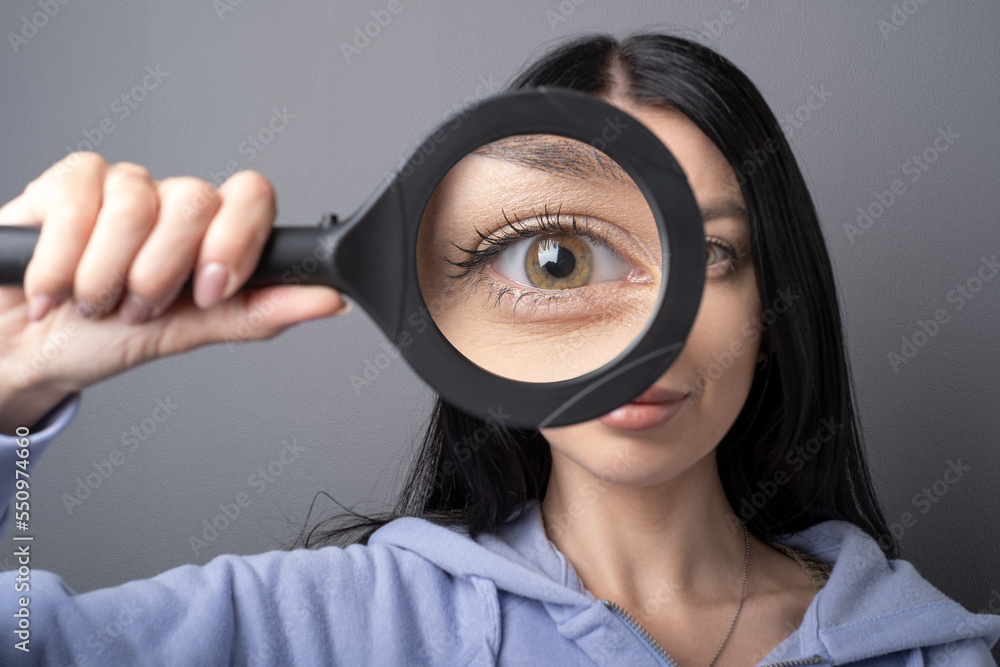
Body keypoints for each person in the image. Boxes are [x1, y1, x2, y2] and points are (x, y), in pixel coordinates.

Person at [1, 32, 997, 666]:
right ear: (462, 306)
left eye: (709, 254)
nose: (641, 337)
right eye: (560, 257)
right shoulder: (337, 626)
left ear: (773, 315)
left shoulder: (932, 654)